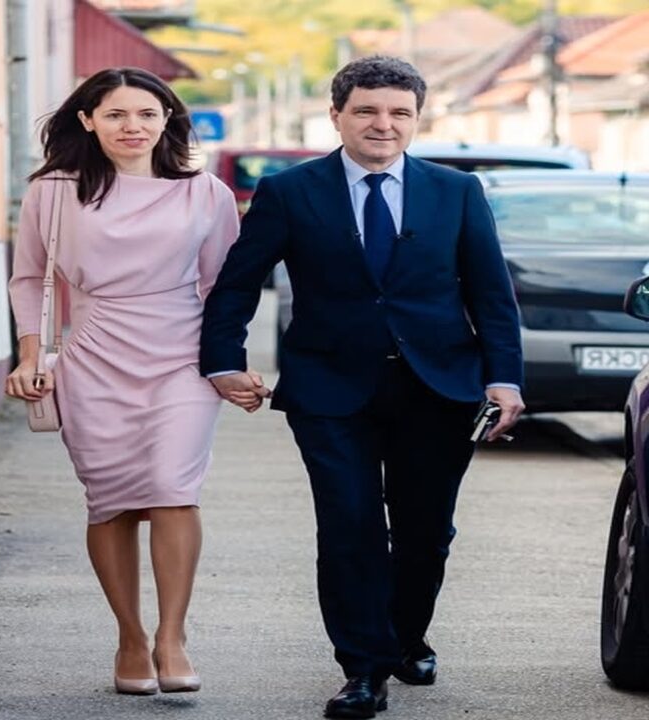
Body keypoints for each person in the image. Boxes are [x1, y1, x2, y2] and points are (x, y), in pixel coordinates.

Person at [200, 55, 525, 719]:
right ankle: (365, 670)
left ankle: (405, 637)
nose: (384, 124)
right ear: (337, 115)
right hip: (328, 388)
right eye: (368, 111)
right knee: (349, 526)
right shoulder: (290, 191)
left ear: (417, 118)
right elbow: (237, 283)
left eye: (400, 112)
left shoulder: (456, 192)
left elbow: (492, 293)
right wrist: (223, 360)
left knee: (425, 531)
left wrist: (503, 376)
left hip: (438, 386)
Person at [6, 67, 245, 696]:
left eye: (146, 114)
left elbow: (223, 289)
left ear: (167, 120)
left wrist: (228, 365)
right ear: (88, 121)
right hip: (92, 354)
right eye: (115, 114)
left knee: (173, 487)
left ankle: (172, 637)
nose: (132, 126)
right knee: (110, 500)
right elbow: (30, 278)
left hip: (181, 355)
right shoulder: (54, 191)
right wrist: (31, 356)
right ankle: (130, 638)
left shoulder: (206, 193)